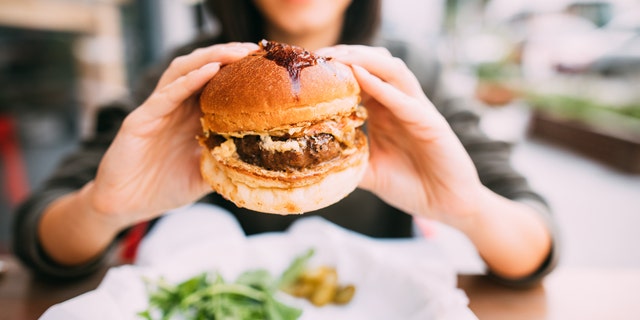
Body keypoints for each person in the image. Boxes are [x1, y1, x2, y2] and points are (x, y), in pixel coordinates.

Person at [13, 0, 557, 286]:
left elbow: (537, 242)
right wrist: (105, 208)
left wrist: (468, 208)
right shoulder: (188, 78)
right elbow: (38, 237)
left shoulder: (407, 76)